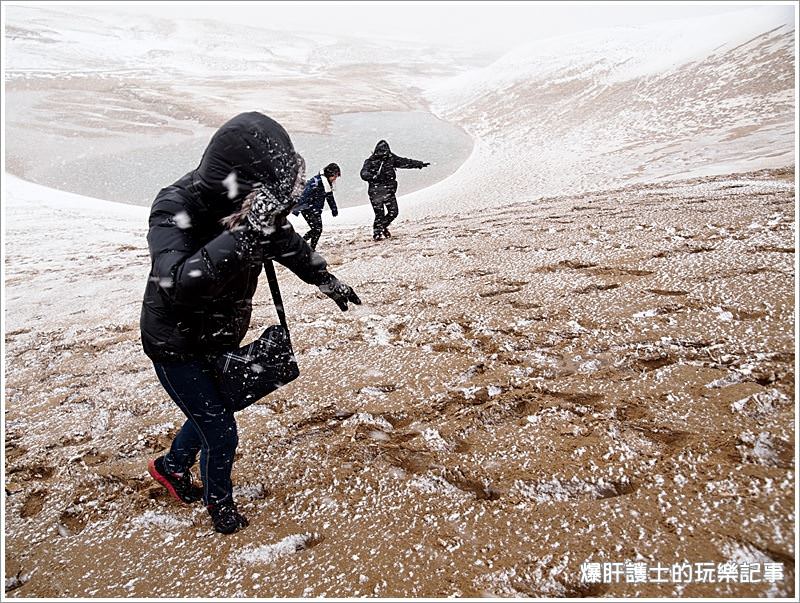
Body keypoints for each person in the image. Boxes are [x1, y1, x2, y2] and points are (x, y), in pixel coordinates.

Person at [140, 112, 361, 534]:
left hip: (220, 333)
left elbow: (289, 245)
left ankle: (170, 466)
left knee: (213, 410)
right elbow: (177, 282)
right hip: (175, 343)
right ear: (242, 186)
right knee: (221, 431)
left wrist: (326, 280)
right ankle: (218, 505)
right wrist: (246, 230)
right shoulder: (175, 206)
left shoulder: (260, 211)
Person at [360, 140, 429, 240]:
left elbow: (405, 162)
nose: (383, 154)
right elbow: (363, 174)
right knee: (380, 214)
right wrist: (373, 176)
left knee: (393, 212)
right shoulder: (370, 161)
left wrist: (419, 164)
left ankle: (380, 228)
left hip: (388, 191)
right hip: (376, 193)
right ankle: (377, 233)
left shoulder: (390, 158)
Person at [291, 162, 340, 250]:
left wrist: (334, 209)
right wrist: (298, 208)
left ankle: (309, 247)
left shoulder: (326, 183)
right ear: (330, 174)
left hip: (315, 210)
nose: (335, 178)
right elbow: (304, 195)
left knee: (316, 229)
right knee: (317, 229)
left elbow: (329, 197)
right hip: (308, 209)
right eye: (335, 176)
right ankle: (305, 245)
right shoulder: (316, 182)